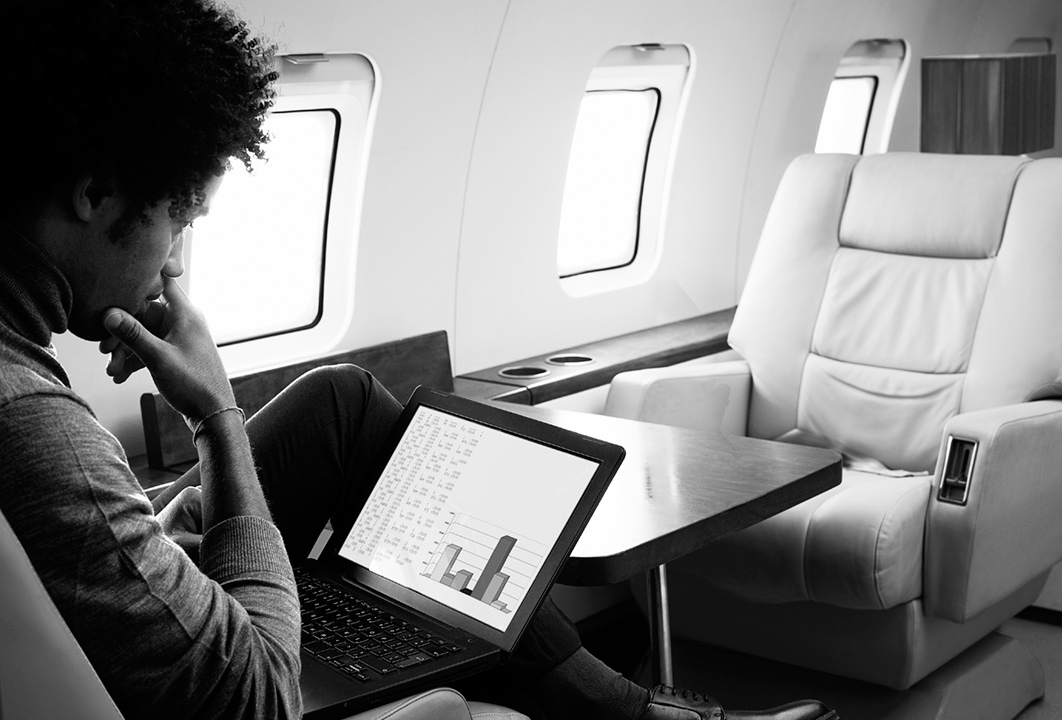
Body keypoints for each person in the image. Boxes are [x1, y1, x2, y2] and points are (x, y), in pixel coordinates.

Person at [0, 1, 837, 719]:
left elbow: (73, 547)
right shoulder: (38, 426)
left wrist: (156, 531)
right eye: (178, 215)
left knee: (343, 404)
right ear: (94, 193)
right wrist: (217, 417)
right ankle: (628, 714)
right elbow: (256, 698)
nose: (175, 261)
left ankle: (619, 707)